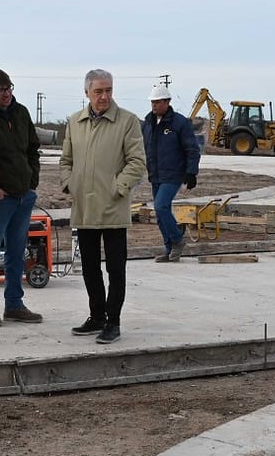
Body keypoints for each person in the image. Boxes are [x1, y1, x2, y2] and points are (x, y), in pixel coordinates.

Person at [61, 69, 146, 344]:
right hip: (84, 208)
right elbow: (66, 160)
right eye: (98, 91)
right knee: (88, 267)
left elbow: (136, 162)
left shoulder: (128, 122)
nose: (104, 96)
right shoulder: (75, 122)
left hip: (113, 209)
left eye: (108, 90)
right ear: (86, 92)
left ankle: (113, 321)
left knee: (115, 269)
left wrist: (118, 188)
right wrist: (69, 184)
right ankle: (96, 316)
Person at [0, 67, 44, 328]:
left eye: (9, 87)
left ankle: (15, 304)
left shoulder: (21, 113)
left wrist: (31, 179)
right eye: (1, 90)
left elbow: (33, 148)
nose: (7, 94)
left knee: (17, 251)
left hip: (23, 196)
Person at [140, 82, 202, 263]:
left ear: (167, 102)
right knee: (159, 213)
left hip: (173, 174)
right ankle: (170, 249)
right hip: (155, 174)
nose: (154, 105)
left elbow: (192, 149)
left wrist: (191, 172)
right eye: (152, 102)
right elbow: (144, 147)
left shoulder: (180, 123)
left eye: (158, 102)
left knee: (161, 206)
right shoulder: (148, 123)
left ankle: (177, 240)